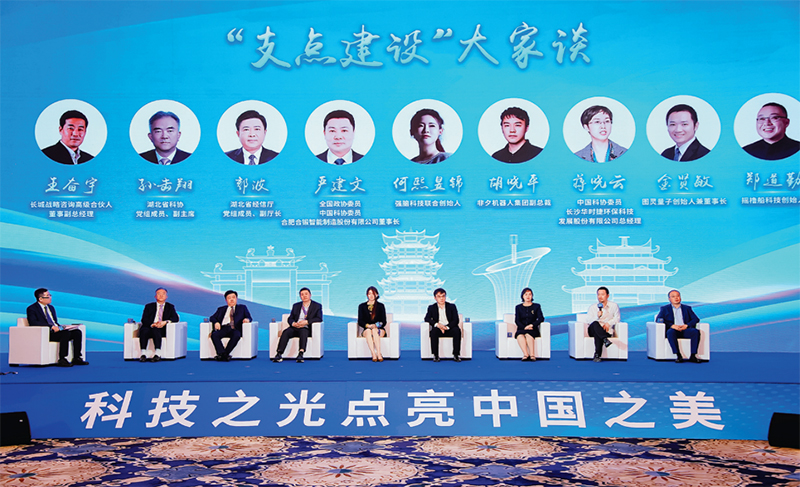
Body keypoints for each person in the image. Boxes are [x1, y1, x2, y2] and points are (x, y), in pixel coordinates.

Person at [25, 288, 88, 367]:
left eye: (50, 295)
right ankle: (62, 359)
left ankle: (77, 358)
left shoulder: (51, 308)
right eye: (48, 296)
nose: (50, 297)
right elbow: (33, 322)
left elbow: (54, 322)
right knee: (65, 334)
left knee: (77, 332)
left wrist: (64, 327)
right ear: (40, 299)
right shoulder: (32, 309)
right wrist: (51, 327)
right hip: (46, 333)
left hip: (57, 331)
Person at [273, 287, 323, 363]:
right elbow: (290, 318)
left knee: (303, 331)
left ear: (310, 295)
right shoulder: (296, 305)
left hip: (306, 327)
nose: (304, 296)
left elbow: (319, 318)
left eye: (306, 294)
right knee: (286, 332)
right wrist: (293, 323)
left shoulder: (317, 306)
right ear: (300, 296)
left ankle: (301, 353)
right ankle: (279, 353)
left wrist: (306, 322)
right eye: (302, 294)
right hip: (295, 327)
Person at [656, 290, 702, 363]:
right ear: (669, 299)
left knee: (695, 332)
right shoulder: (664, 309)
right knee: (670, 332)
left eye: (678, 296)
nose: (676, 298)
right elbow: (659, 319)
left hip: (685, 329)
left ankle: (693, 356)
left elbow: (696, 319)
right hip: (673, 330)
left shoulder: (687, 308)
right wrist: (671, 325)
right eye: (673, 296)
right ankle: (678, 355)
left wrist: (687, 325)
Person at [208, 290, 252, 361]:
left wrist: (247, 320)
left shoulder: (242, 308)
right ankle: (224, 355)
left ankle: (222, 355)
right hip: (223, 328)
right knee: (214, 335)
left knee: (237, 335)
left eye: (233, 297)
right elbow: (212, 317)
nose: (231, 299)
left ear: (236, 299)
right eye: (229, 298)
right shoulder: (221, 309)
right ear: (226, 300)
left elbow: (249, 317)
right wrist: (216, 322)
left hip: (235, 329)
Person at [138, 287, 180, 362]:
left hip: (162, 328)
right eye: (159, 294)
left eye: (163, 294)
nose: (161, 296)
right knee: (144, 330)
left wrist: (165, 322)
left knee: (156, 330)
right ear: (155, 296)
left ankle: (157, 353)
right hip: (150, 326)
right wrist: (153, 324)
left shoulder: (170, 307)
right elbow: (144, 319)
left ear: (166, 297)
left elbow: (175, 318)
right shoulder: (149, 306)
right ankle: (143, 354)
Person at [423, 288, 461, 362]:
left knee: (457, 331)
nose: (441, 298)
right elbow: (427, 318)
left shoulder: (452, 306)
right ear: (435, 298)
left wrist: (446, 327)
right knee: (433, 332)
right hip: (438, 328)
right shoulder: (431, 307)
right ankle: (436, 355)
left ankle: (456, 355)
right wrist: (437, 325)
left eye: (443, 296)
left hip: (449, 328)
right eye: (439, 296)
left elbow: (456, 320)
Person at [585, 286, 620, 362]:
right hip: (592, 329)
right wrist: (597, 316)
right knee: (595, 323)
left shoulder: (614, 306)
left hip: (606, 330)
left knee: (598, 334)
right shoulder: (592, 307)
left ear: (607, 296)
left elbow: (617, 318)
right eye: (598, 294)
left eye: (602, 294)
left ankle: (597, 355)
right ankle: (605, 339)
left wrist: (608, 323)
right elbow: (589, 320)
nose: (600, 296)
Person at [357, 286, 387, 362]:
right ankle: (373, 354)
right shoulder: (362, 306)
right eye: (369, 294)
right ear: (367, 295)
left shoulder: (381, 306)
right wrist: (368, 326)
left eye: (373, 294)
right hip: (367, 329)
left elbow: (384, 321)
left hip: (379, 329)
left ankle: (379, 354)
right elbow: (360, 321)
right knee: (368, 331)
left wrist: (375, 325)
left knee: (374, 330)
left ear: (376, 295)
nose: (371, 296)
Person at [515, 287, 545, 361]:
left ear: (532, 296)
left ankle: (532, 355)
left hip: (532, 329)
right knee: (520, 336)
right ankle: (526, 354)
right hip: (522, 329)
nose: (528, 296)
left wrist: (532, 325)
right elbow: (517, 320)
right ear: (522, 296)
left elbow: (541, 318)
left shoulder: (537, 306)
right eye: (526, 294)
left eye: (530, 294)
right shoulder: (518, 307)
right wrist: (524, 327)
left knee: (528, 335)